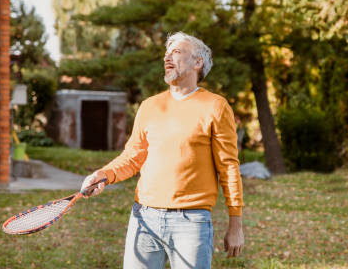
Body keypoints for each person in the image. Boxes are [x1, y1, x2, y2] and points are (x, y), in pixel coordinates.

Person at [81, 32, 244, 268]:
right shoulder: (149, 106)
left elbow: (228, 167)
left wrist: (235, 224)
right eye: (166, 53)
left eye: (177, 52)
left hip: (192, 222)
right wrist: (104, 174)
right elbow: (132, 157)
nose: (168, 57)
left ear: (197, 62)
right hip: (144, 218)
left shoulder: (216, 107)